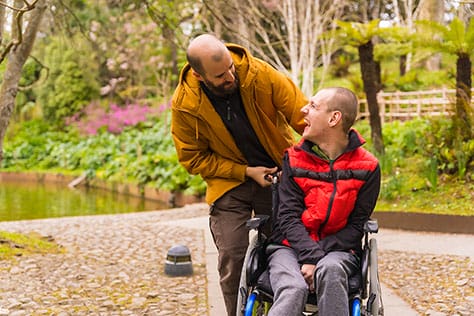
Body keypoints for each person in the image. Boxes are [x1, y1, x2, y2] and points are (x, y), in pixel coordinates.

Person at [170, 33, 307, 316]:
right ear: (198, 75)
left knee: (282, 250)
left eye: (231, 67)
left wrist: (327, 150)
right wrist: (244, 171)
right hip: (230, 183)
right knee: (233, 255)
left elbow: (303, 116)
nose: (231, 76)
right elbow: (192, 158)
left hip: (278, 174)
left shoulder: (259, 74)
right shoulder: (185, 105)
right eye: (220, 75)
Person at [267, 87, 381, 316]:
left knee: (330, 269)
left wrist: (318, 257)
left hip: (338, 250)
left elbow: (357, 225)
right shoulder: (294, 158)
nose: (303, 110)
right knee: (293, 287)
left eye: (313, 106)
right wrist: (311, 256)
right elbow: (287, 217)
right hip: (288, 248)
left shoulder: (367, 167)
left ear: (334, 118)